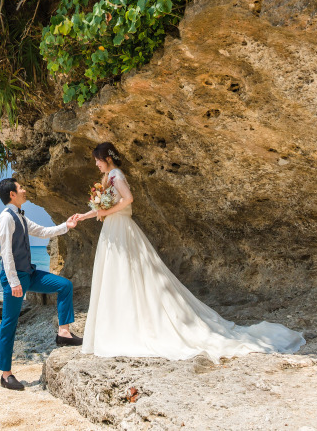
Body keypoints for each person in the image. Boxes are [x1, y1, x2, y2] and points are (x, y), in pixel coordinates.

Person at [74, 142, 305, 362]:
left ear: (106, 159)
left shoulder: (117, 176)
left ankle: (126, 327)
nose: (96, 164)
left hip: (120, 228)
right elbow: (101, 207)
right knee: (117, 275)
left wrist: (109, 211)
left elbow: (129, 200)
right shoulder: (108, 178)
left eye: (97, 160)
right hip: (113, 229)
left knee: (126, 274)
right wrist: (85, 216)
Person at [0, 178, 83, 391]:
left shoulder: (20, 217)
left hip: (29, 274)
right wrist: (14, 282)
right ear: (12, 194)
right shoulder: (6, 219)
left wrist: (66, 226)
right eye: (20, 187)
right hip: (14, 278)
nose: (24, 190)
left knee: (64, 285)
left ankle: (64, 333)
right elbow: (6, 253)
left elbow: (43, 231)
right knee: (9, 324)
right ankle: (6, 376)